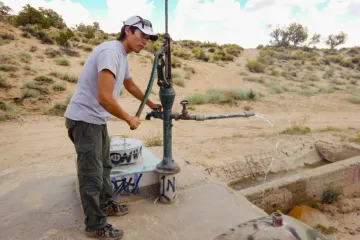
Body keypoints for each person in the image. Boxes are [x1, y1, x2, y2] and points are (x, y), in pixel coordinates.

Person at [64, 15, 161, 239]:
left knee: (105, 167)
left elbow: (129, 84)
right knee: (92, 175)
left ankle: (106, 204)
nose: (145, 41)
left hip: (96, 121)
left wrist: (149, 102)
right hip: (84, 120)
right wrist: (129, 118)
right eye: (142, 35)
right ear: (128, 30)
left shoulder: (121, 55)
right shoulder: (110, 52)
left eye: (148, 38)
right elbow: (104, 98)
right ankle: (95, 225)